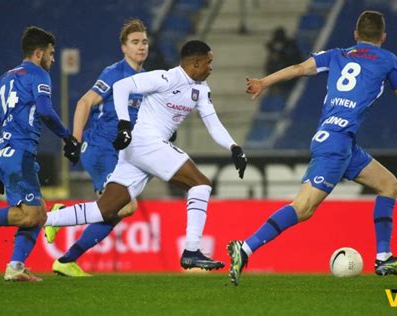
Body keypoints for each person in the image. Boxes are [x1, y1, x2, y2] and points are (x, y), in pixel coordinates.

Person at [228, 10, 397, 286]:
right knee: (304, 207)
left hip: (340, 141)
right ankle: (245, 249)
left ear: (355, 35)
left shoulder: (337, 54)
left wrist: (263, 82)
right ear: (383, 37)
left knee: (389, 185)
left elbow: (298, 69)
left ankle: (383, 258)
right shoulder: (388, 60)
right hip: (336, 143)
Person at [43, 40, 248, 270]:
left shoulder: (201, 90)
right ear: (196, 63)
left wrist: (234, 147)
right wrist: (124, 124)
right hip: (145, 142)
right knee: (200, 184)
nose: (211, 67)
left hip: (138, 150)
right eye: (209, 63)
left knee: (106, 209)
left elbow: (212, 123)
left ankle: (44, 219)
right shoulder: (167, 78)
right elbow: (121, 87)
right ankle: (191, 250)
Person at [0, 26, 80, 281]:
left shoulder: (3, 79)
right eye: (52, 53)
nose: (53, 59)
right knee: (30, 215)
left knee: (38, 214)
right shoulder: (39, 75)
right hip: (20, 154)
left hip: (2, 154)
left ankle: (16, 266)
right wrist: (67, 136)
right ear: (39, 53)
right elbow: (44, 110)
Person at [46, 18, 151, 277]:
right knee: (125, 206)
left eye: (144, 42)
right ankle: (57, 221)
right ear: (124, 48)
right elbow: (84, 102)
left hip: (119, 154)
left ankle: (66, 258)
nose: (141, 47)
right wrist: (74, 139)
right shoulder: (114, 73)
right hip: (99, 148)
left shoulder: (146, 79)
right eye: (135, 42)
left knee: (112, 210)